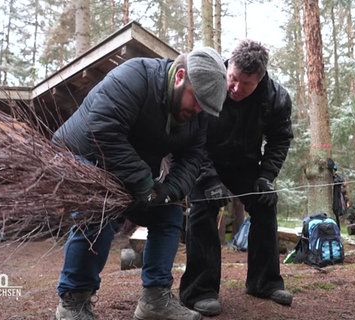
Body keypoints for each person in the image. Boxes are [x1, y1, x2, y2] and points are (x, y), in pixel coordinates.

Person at [51, 47, 227, 320]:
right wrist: (142, 181)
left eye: (205, 106)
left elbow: (194, 156)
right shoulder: (134, 77)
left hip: (129, 171)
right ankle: (73, 302)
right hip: (83, 159)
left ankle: (155, 300)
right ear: (180, 76)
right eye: (197, 99)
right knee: (100, 210)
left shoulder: (198, 113)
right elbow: (102, 130)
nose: (198, 109)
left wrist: (170, 191)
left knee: (170, 212)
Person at [179, 40, 294, 317]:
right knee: (204, 207)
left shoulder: (276, 97)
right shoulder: (209, 81)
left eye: (246, 84)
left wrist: (266, 177)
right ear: (228, 66)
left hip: (244, 163)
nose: (235, 88)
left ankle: (263, 282)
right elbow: (192, 137)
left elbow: (280, 140)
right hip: (203, 159)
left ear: (261, 79)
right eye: (233, 79)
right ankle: (200, 290)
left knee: (265, 205)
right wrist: (208, 179)